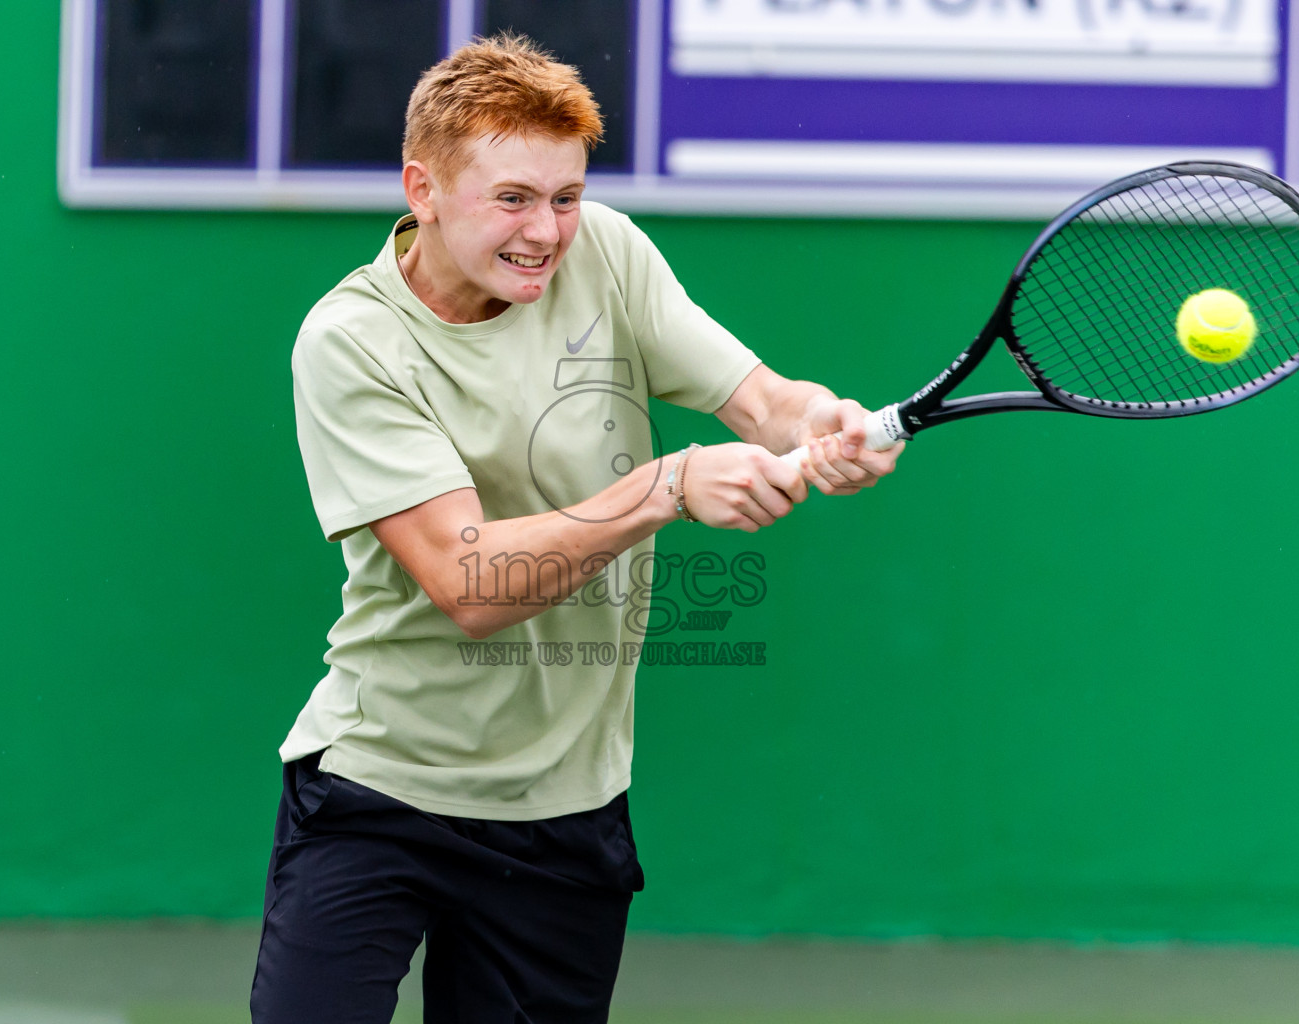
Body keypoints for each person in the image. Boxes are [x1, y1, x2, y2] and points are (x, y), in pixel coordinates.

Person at [250, 33, 903, 1024]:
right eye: (512, 198)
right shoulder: (352, 342)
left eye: (565, 197)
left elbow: (766, 402)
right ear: (421, 188)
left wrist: (829, 429)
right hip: (381, 787)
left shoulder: (610, 254)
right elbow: (468, 584)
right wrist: (666, 487)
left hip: (562, 812)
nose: (546, 230)